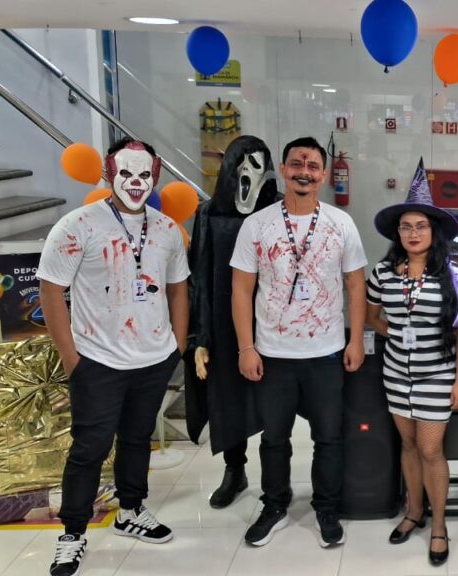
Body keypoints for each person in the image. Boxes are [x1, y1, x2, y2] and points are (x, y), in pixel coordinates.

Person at [39, 138, 189, 576]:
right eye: (126, 173)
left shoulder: (167, 229)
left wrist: (177, 346)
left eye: (144, 174)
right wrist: (72, 359)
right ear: (108, 172)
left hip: (153, 358)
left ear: (155, 175)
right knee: (90, 447)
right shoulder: (78, 225)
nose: (136, 182)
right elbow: (50, 290)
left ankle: (131, 510)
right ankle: (72, 533)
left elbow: (178, 287)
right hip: (98, 360)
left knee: (138, 439)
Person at [230, 136, 367, 548]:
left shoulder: (341, 224)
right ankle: (275, 505)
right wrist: (246, 347)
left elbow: (355, 286)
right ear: (284, 170)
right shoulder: (257, 225)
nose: (303, 172)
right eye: (296, 164)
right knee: (274, 439)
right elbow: (241, 290)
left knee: (329, 437)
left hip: (326, 352)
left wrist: (355, 340)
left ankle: (326, 507)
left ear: (322, 174)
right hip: (273, 354)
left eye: (312, 166)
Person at [366, 159, 458, 567]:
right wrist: (392, 333)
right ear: (398, 233)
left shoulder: (455, 276)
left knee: (430, 449)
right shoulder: (383, 273)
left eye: (421, 226)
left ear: (434, 231)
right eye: (406, 227)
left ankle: (440, 525)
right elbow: (371, 315)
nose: (413, 233)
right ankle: (414, 512)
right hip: (396, 374)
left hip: (436, 375)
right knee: (408, 445)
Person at [185, 135, 281, 510]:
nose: (246, 173)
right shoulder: (209, 214)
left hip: (273, 322)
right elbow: (200, 275)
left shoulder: (278, 210)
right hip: (225, 321)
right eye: (239, 165)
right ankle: (234, 469)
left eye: (255, 166)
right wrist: (200, 337)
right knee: (228, 398)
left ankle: (276, 480)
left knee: (275, 403)